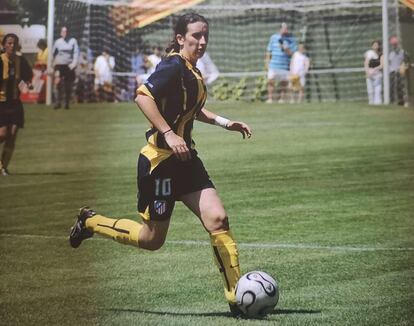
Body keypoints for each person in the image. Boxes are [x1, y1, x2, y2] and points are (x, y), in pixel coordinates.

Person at [69, 13, 252, 317]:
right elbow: (142, 96)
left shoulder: (191, 69)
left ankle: (237, 298)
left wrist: (225, 122)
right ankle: (90, 222)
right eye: (196, 36)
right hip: (160, 165)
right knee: (152, 240)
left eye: (205, 35)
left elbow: (192, 109)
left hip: (186, 161)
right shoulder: (172, 66)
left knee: (218, 219)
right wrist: (168, 133)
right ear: (181, 38)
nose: (202, 41)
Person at [0, 34, 33, 176]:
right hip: (1, 103)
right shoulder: (0, 60)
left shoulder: (21, 61)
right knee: (2, 134)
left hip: (15, 103)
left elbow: (28, 76)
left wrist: (28, 84)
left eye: (14, 43)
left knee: (12, 134)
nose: (12, 46)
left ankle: (3, 167)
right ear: (4, 45)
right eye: (9, 43)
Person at [265, 22, 297, 103]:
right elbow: (269, 51)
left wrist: (285, 48)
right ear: (280, 29)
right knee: (270, 81)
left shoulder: (291, 39)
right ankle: (270, 98)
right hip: (273, 65)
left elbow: (292, 54)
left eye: (286, 28)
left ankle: (281, 99)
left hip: (285, 66)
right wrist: (267, 63)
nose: (285, 30)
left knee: (284, 83)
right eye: (284, 28)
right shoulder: (273, 37)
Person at [51, 26, 79, 109]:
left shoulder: (73, 41)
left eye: (66, 31)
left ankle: (67, 103)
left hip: (68, 66)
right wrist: (53, 65)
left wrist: (74, 64)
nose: (65, 33)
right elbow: (53, 54)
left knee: (68, 85)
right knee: (57, 83)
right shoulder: (57, 42)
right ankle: (58, 102)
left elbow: (76, 53)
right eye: (63, 31)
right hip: (59, 66)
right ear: (60, 33)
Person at [389, 36, 410, 107]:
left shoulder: (403, 52)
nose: (394, 46)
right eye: (393, 44)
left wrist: (404, 67)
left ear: (398, 44)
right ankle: (396, 102)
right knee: (394, 88)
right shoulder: (390, 53)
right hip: (392, 73)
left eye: (396, 44)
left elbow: (407, 61)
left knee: (403, 88)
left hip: (400, 73)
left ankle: (405, 102)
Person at [364, 40, 383, 105]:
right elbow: (366, 63)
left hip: (377, 75)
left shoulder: (381, 54)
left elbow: (382, 65)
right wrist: (367, 72)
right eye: (374, 45)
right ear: (372, 46)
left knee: (377, 90)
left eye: (377, 45)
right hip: (370, 75)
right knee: (370, 91)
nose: (375, 46)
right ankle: (371, 104)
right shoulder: (370, 53)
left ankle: (378, 104)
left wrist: (375, 69)